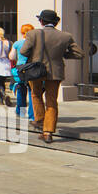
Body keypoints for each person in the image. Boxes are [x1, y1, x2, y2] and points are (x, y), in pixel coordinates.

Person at [17, 9, 82, 143]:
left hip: (36, 71)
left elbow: (23, 51)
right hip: (55, 72)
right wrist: (63, 54)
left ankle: (39, 119)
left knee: (36, 95)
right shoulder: (65, 36)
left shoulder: (32, 33)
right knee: (52, 100)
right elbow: (79, 54)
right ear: (56, 22)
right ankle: (48, 132)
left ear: (41, 21)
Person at [10, 24, 35, 122]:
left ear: (22, 32)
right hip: (32, 68)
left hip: (20, 69)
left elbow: (12, 57)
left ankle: (21, 112)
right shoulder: (34, 43)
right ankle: (32, 115)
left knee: (21, 89)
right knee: (32, 92)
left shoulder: (17, 43)